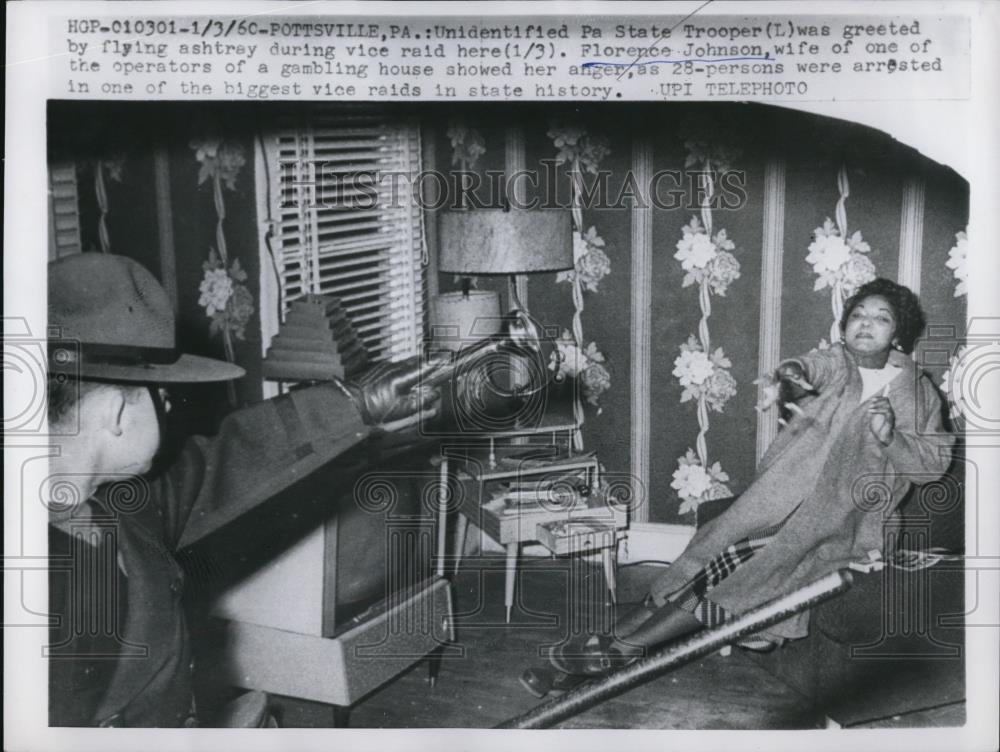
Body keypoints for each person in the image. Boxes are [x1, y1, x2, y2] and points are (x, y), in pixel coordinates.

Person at [46, 253, 446, 727]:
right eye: (158, 392)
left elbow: (223, 462)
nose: (168, 402)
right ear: (114, 414)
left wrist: (356, 404)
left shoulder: (111, 502)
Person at [522, 278, 955, 697]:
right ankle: (610, 645)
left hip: (846, 524)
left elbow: (932, 465)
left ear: (898, 333)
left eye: (881, 317)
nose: (865, 323)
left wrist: (888, 437)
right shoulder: (838, 363)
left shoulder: (919, 395)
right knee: (706, 558)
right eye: (857, 314)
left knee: (734, 574)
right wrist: (794, 372)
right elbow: (810, 367)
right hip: (781, 499)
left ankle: (617, 652)